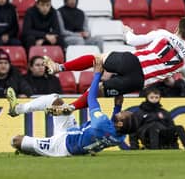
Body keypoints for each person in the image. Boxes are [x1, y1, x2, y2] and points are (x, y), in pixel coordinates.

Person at [44, 16, 185, 120]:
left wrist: (126, 31)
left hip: (131, 61)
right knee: (100, 91)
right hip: (138, 81)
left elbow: (132, 41)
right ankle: (71, 107)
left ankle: (58, 67)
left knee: (98, 59)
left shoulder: (164, 34)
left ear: (177, 28)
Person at [8, 58, 139, 157]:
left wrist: (97, 75)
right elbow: (112, 126)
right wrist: (117, 105)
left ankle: (34, 150)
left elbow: (91, 97)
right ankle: (17, 109)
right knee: (56, 100)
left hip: (62, 146)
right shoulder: (120, 137)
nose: (122, 111)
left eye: (124, 113)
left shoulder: (101, 123)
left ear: (121, 123)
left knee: (16, 140)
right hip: (71, 132)